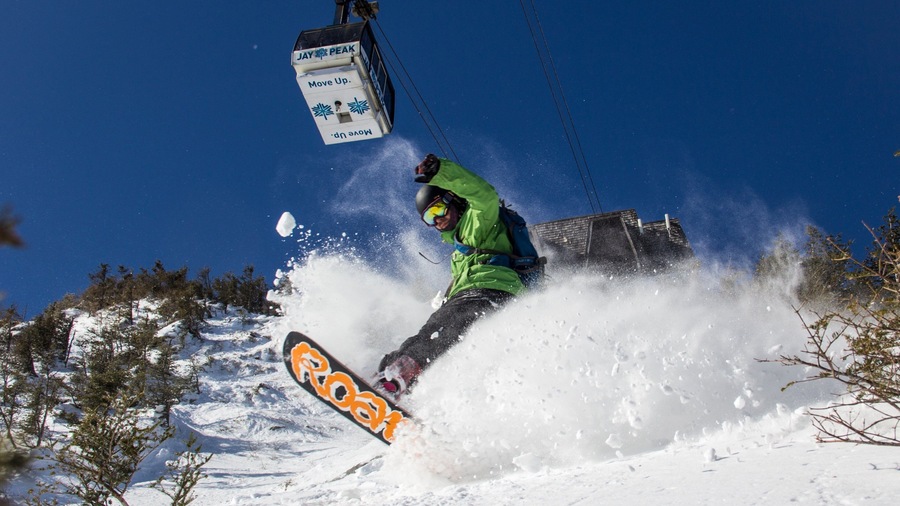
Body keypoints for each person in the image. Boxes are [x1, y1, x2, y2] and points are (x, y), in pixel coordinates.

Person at [375, 154, 525, 396]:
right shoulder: (457, 252)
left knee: (441, 331)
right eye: (429, 218)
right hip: (473, 296)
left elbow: (484, 194)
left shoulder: (478, 221)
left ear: (452, 200)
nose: (437, 220)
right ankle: (399, 381)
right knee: (436, 336)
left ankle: (396, 377)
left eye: (438, 209)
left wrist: (441, 172)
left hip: (490, 290)